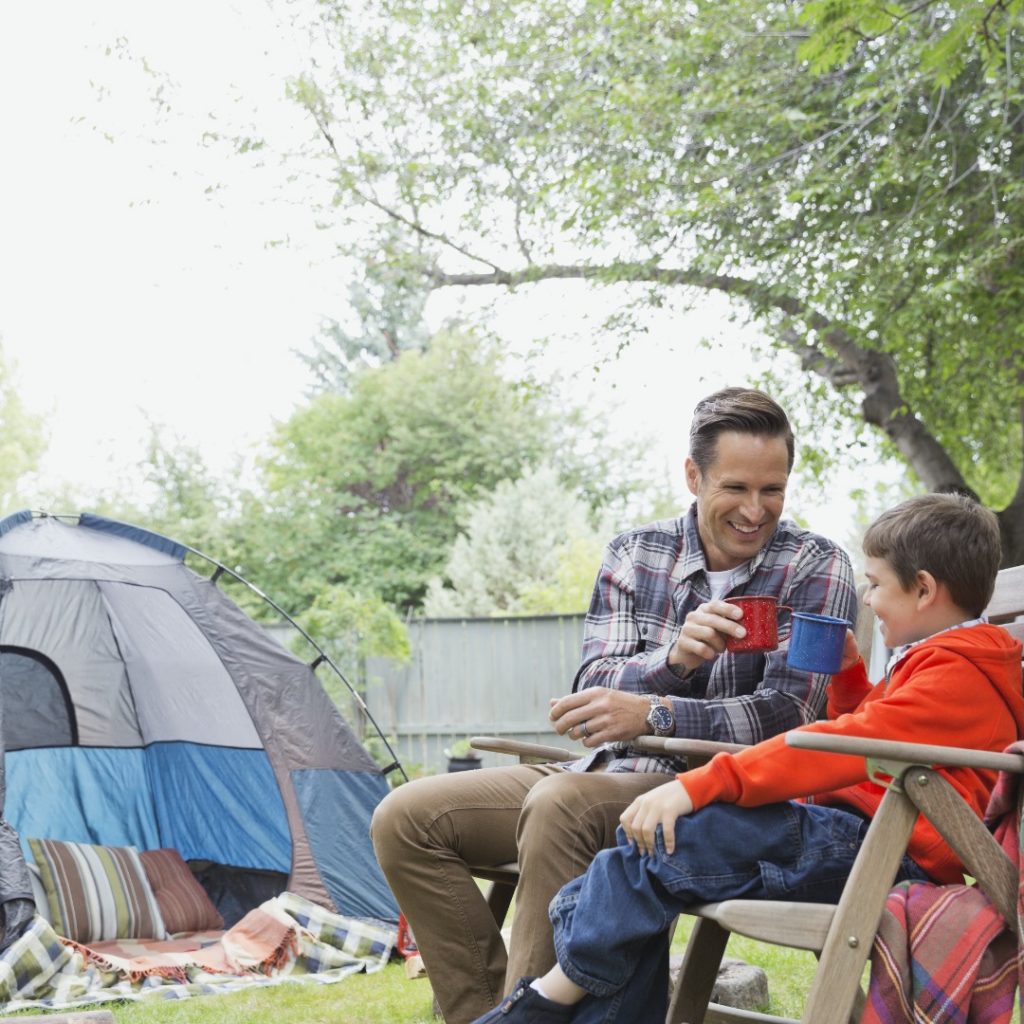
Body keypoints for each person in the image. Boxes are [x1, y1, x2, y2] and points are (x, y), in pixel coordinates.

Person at [371, 387, 857, 1024]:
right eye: (736, 487)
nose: (754, 509)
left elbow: (791, 713)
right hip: (605, 771)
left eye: (773, 490)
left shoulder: (815, 565)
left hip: (718, 794)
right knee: (405, 818)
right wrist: (673, 662)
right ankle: (489, 1012)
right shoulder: (636, 552)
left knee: (560, 805)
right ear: (693, 476)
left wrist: (655, 713)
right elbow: (593, 682)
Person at [469, 493, 1024, 1024]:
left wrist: (697, 785)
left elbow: (847, 746)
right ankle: (555, 999)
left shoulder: (955, 676)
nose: (866, 598)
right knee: (631, 864)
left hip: (883, 852)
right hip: (857, 838)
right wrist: (850, 677)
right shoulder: (943, 663)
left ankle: (543, 1002)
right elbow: (873, 730)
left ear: (923, 589)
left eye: (876, 584)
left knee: (665, 845)